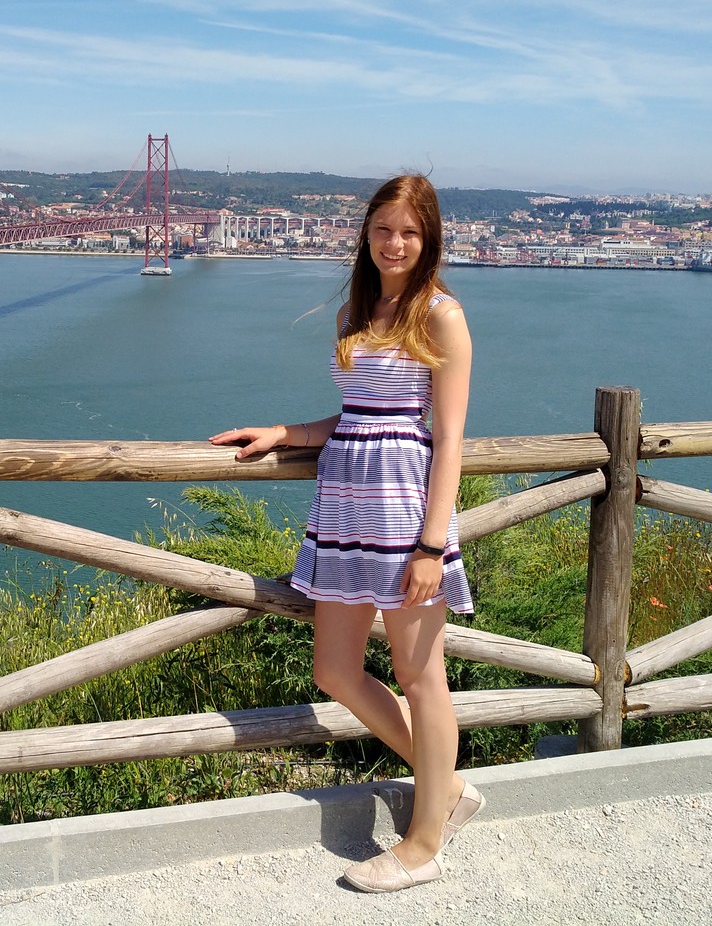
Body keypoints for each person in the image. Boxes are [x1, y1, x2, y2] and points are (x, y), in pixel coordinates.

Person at [209, 173, 483, 894]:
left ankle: (424, 843)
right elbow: (358, 414)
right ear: (366, 233)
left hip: (404, 512)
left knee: (421, 678)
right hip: (345, 509)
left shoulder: (442, 315)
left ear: (429, 240)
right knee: (333, 671)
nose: (395, 243)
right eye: (384, 228)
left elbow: (449, 439)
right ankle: (448, 789)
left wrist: (431, 546)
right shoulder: (356, 313)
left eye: (410, 232)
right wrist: (286, 432)